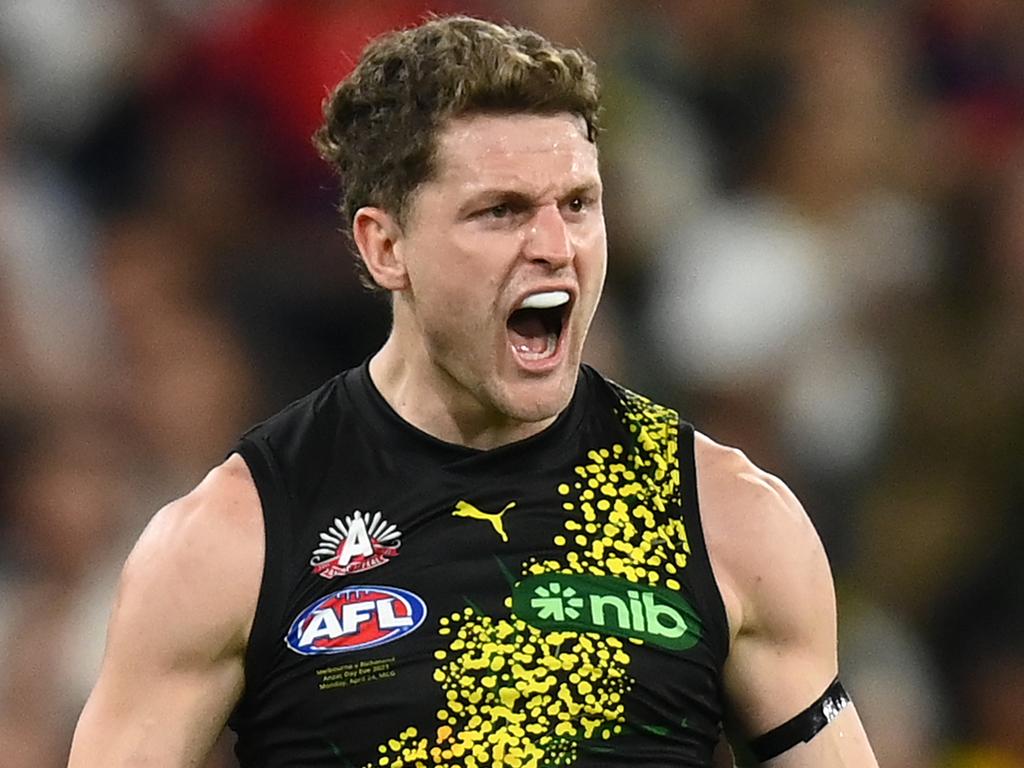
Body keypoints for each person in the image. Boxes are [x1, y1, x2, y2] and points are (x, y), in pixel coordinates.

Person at [68, 15, 880, 768]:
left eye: (579, 204)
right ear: (386, 247)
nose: (556, 247)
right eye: (501, 211)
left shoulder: (726, 518)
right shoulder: (237, 536)